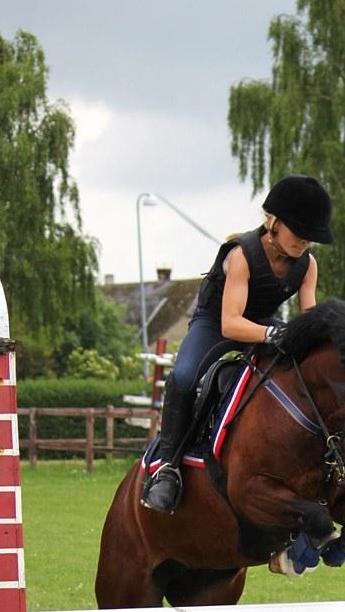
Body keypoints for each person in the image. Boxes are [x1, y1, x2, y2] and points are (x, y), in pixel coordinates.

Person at [140, 174, 333, 514]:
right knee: (184, 376)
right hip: (215, 325)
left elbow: (309, 317)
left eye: (311, 236)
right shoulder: (242, 255)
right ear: (273, 221)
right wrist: (274, 334)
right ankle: (167, 468)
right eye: (299, 231)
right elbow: (231, 322)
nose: (305, 241)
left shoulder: (307, 265)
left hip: (263, 327)